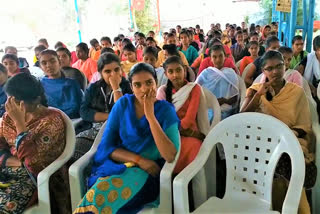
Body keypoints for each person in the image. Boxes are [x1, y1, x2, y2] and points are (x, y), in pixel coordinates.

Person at [74, 63, 180, 213]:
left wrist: (150, 116)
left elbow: (170, 155)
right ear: (131, 87)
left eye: (149, 82)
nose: (144, 89)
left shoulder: (165, 111)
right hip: (120, 165)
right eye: (138, 85)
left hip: (149, 174)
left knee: (106, 195)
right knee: (99, 191)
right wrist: (139, 160)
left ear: (156, 82)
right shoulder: (123, 105)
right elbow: (106, 147)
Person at [241, 50, 314, 213]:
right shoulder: (255, 90)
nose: (275, 71)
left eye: (279, 66)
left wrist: (288, 136)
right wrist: (259, 95)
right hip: (262, 143)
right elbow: (241, 118)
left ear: (285, 65)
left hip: (291, 140)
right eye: (269, 68)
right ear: (263, 71)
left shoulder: (296, 92)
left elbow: (304, 126)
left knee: (289, 163)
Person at [0, 73, 70, 214]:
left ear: (35, 100)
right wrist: (9, 161)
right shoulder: (8, 117)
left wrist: (20, 123)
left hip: (36, 180)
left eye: (15, 101)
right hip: (7, 171)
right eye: (9, 99)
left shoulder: (51, 121)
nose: (10, 105)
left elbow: (33, 163)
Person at [75, 53, 132, 161]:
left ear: (121, 70)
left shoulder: (129, 87)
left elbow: (123, 114)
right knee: (77, 149)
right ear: (101, 73)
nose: (113, 74)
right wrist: (110, 116)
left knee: (105, 155)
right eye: (107, 71)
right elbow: (84, 111)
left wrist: (116, 88)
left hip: (120, 131)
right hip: (95, 129)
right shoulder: (94, 88)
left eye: (116, 70)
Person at [157, 56, 208, 173]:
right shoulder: (162, 91)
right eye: (170, 71)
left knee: (193, 146)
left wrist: (178, 131)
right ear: (165, 74)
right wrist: (172, 131)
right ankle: (169, 183)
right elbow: (162, 119)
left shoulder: (194, 88)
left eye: (178, 70)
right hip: (169, 134)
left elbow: (189, 119)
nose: (175, 75)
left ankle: (192, 184)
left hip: (190, 132)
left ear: (184, 70)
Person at [196, 45, 239, 120]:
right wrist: (210, 102)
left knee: (217, 117)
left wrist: (224, 100)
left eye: (220, 56)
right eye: (214, 57)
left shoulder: (230, 74)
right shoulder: (206, 73)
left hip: (224, 107)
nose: (218, 60)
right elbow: (196, 90)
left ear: (225, 56)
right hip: (208, 106)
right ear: (211, 59)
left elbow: (235, 97)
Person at [40, 49, 83, 119]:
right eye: (44, 63)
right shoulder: (39, 86)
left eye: (52, 61)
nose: (49, 65)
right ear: (40, 67)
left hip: (72, 121)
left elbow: (77, 108)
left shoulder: (71, 84)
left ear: (59, 63)